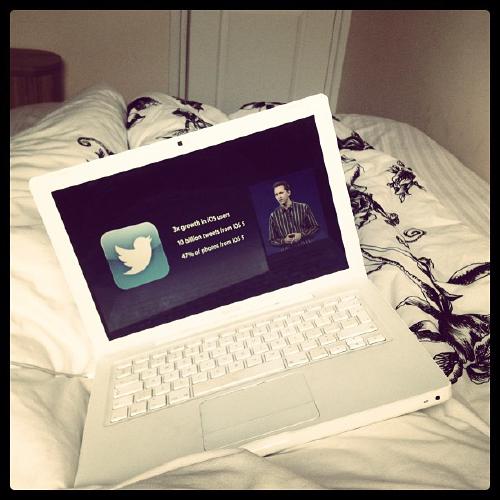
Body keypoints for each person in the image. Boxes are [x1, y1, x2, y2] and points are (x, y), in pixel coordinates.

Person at [268, 180, 320, 249]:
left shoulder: (303, 207)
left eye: (281, 193)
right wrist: (284, 241)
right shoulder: (273, 216)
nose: (279, 196)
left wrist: (301, 235)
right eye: (276, 194)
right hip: (288, 252)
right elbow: (272, 240)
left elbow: (315, 227)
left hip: (307, 248)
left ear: (288, 193)